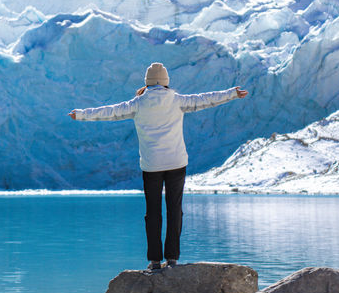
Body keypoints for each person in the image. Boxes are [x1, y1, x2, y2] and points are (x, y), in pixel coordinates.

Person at [69, 62, 248, 270]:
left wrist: (81, 114)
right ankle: (172, 258)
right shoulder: (178, 100)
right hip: (176, 163)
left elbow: (110, 112)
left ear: (147, 81)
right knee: (175, 210)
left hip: (151, 166)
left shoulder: (137, 103)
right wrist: (231, 93)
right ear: (165, 81)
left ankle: (154, 260)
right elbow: (206, 99)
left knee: (152, 212)